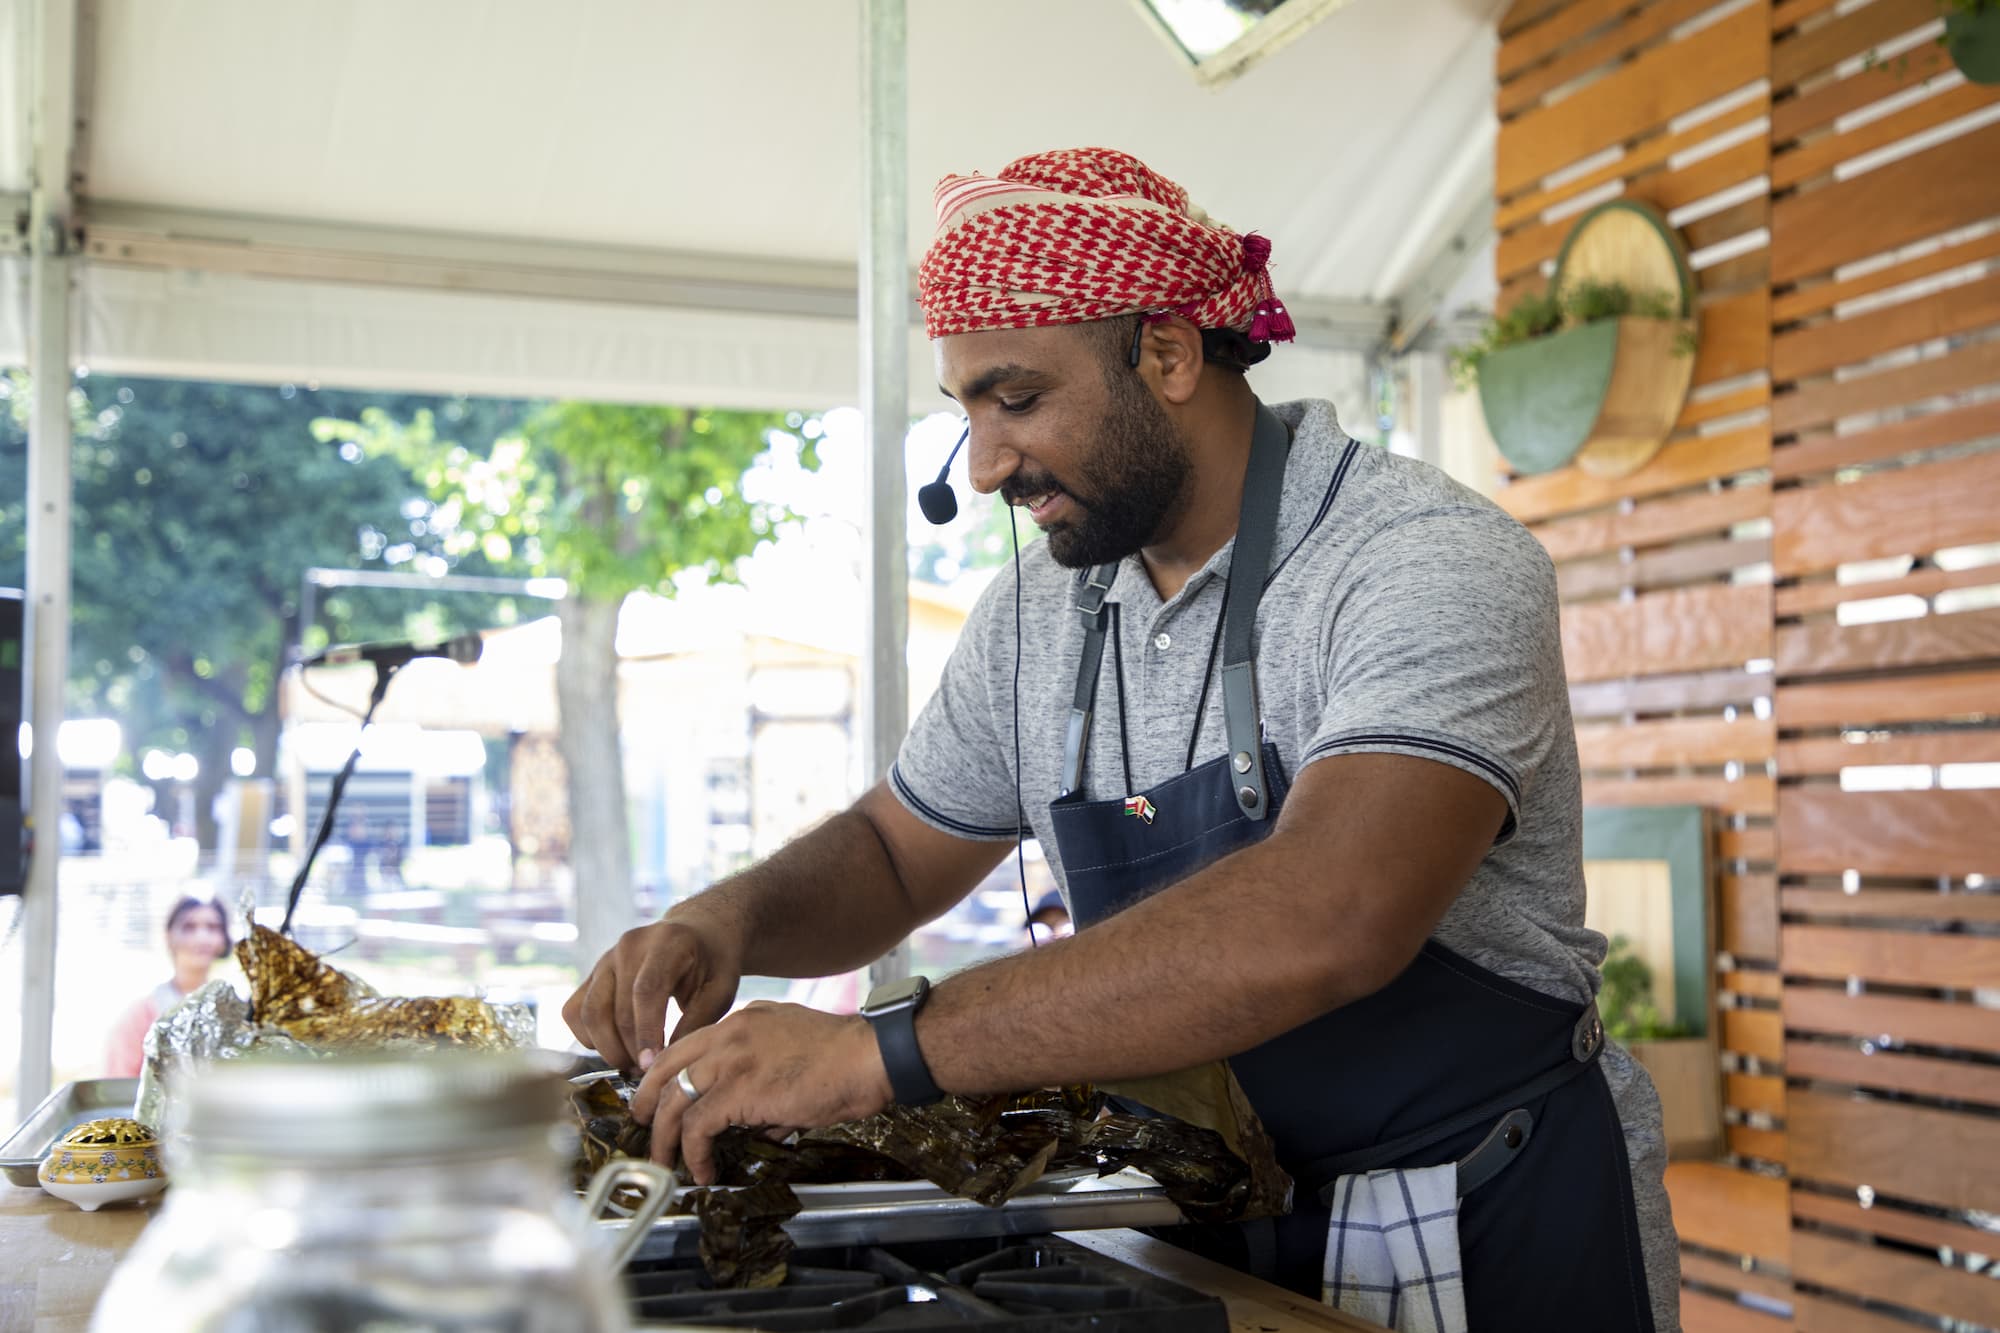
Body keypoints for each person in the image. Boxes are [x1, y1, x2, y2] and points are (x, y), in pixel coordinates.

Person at [565, 148, 1676, 1330]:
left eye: (1018, 398)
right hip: (1201, 1214)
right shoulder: (1043, 606)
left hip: (1480, 1203)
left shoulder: (1421, 560)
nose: (985, 464)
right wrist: (726, 921)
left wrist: (877, 1052)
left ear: (1166, 353)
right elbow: (896, 851)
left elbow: (1329, 914)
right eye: (967, 413)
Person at [105, 896, 232, 1077]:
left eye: (212, 927)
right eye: (189, 927)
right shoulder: (139, 1018)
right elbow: (118, 1086)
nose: (202, 937)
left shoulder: (237, 1015)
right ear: (169, 936)